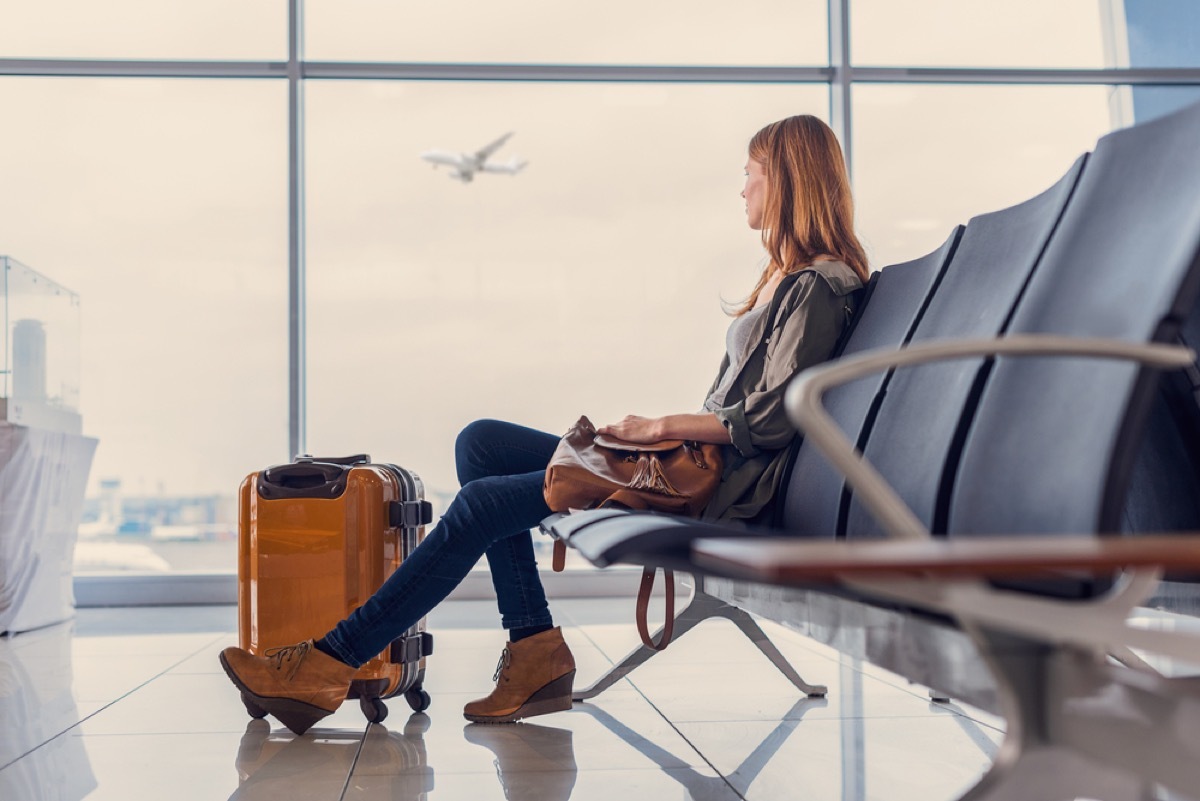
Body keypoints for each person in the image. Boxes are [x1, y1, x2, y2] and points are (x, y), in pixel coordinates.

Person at [219, 114, 869, 734]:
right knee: (482, 443)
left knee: (480, 504)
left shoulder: (817, 286)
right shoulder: (789, 279)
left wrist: (655, 428)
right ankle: (534, 646)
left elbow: (771, 420)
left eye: (753, 170)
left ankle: (328, 663)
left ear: (786, 180)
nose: (743, 185)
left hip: (716, 488)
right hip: (693, 467)